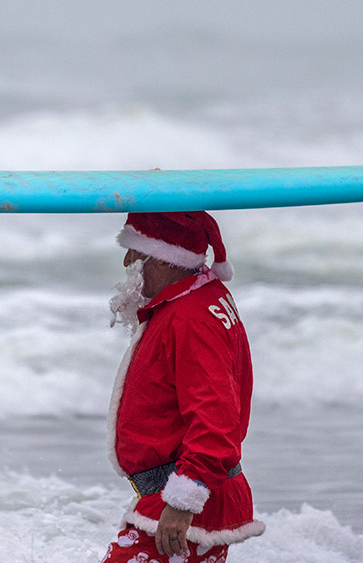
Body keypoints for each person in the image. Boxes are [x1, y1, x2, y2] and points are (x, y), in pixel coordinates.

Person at [103, 211, 265, 563]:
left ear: (164, 258)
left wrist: (181, 503)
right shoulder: (202, 296)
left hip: (186, 497)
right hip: (195, 490)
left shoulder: (190, 319)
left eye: (136, 252)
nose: (127, 261)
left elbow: (215, 417)